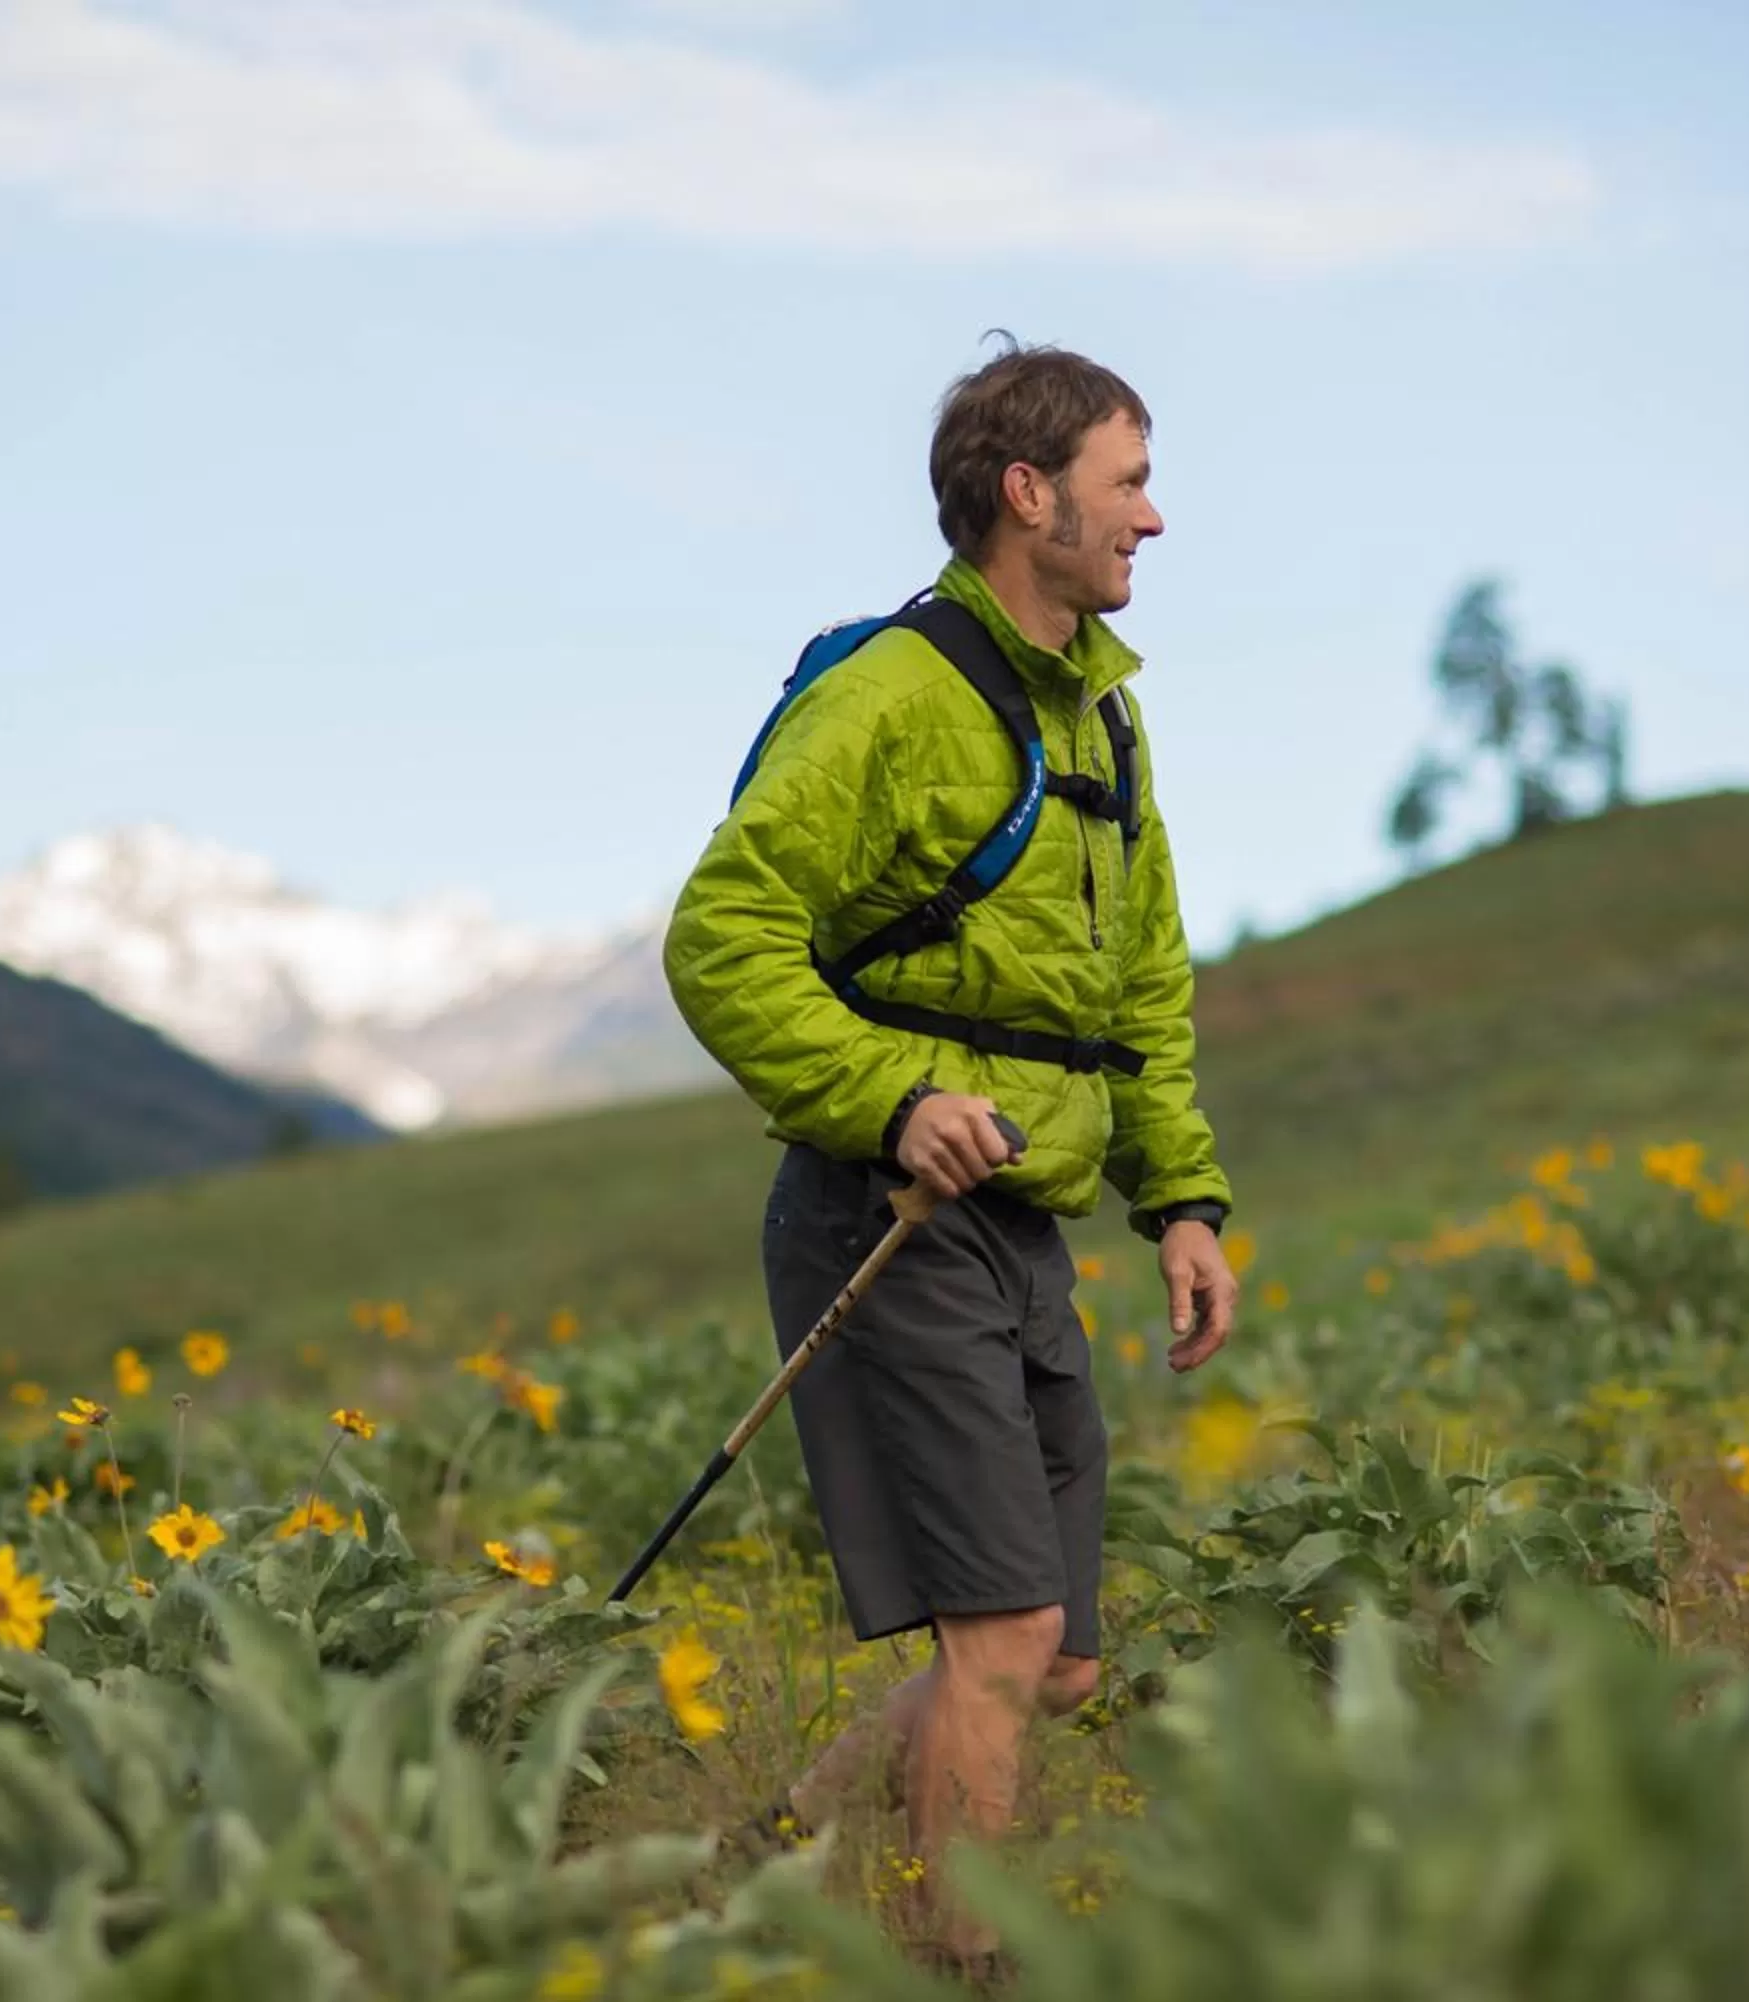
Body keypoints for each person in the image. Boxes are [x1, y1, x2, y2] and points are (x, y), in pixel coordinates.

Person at [662, 337, 1239, 1973]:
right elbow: (724, 939)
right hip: (890, 1215)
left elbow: (1141, 989)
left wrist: (1181, 1197)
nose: (1155, 519)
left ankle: (767, 1861)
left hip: (1025, 1225)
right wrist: (894, 1095)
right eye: (1131, 480)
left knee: (1051, 1657)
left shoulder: (1109, 730)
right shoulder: (893, 699)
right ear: (1027, 491)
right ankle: (956, 1966)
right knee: (997, 1631)